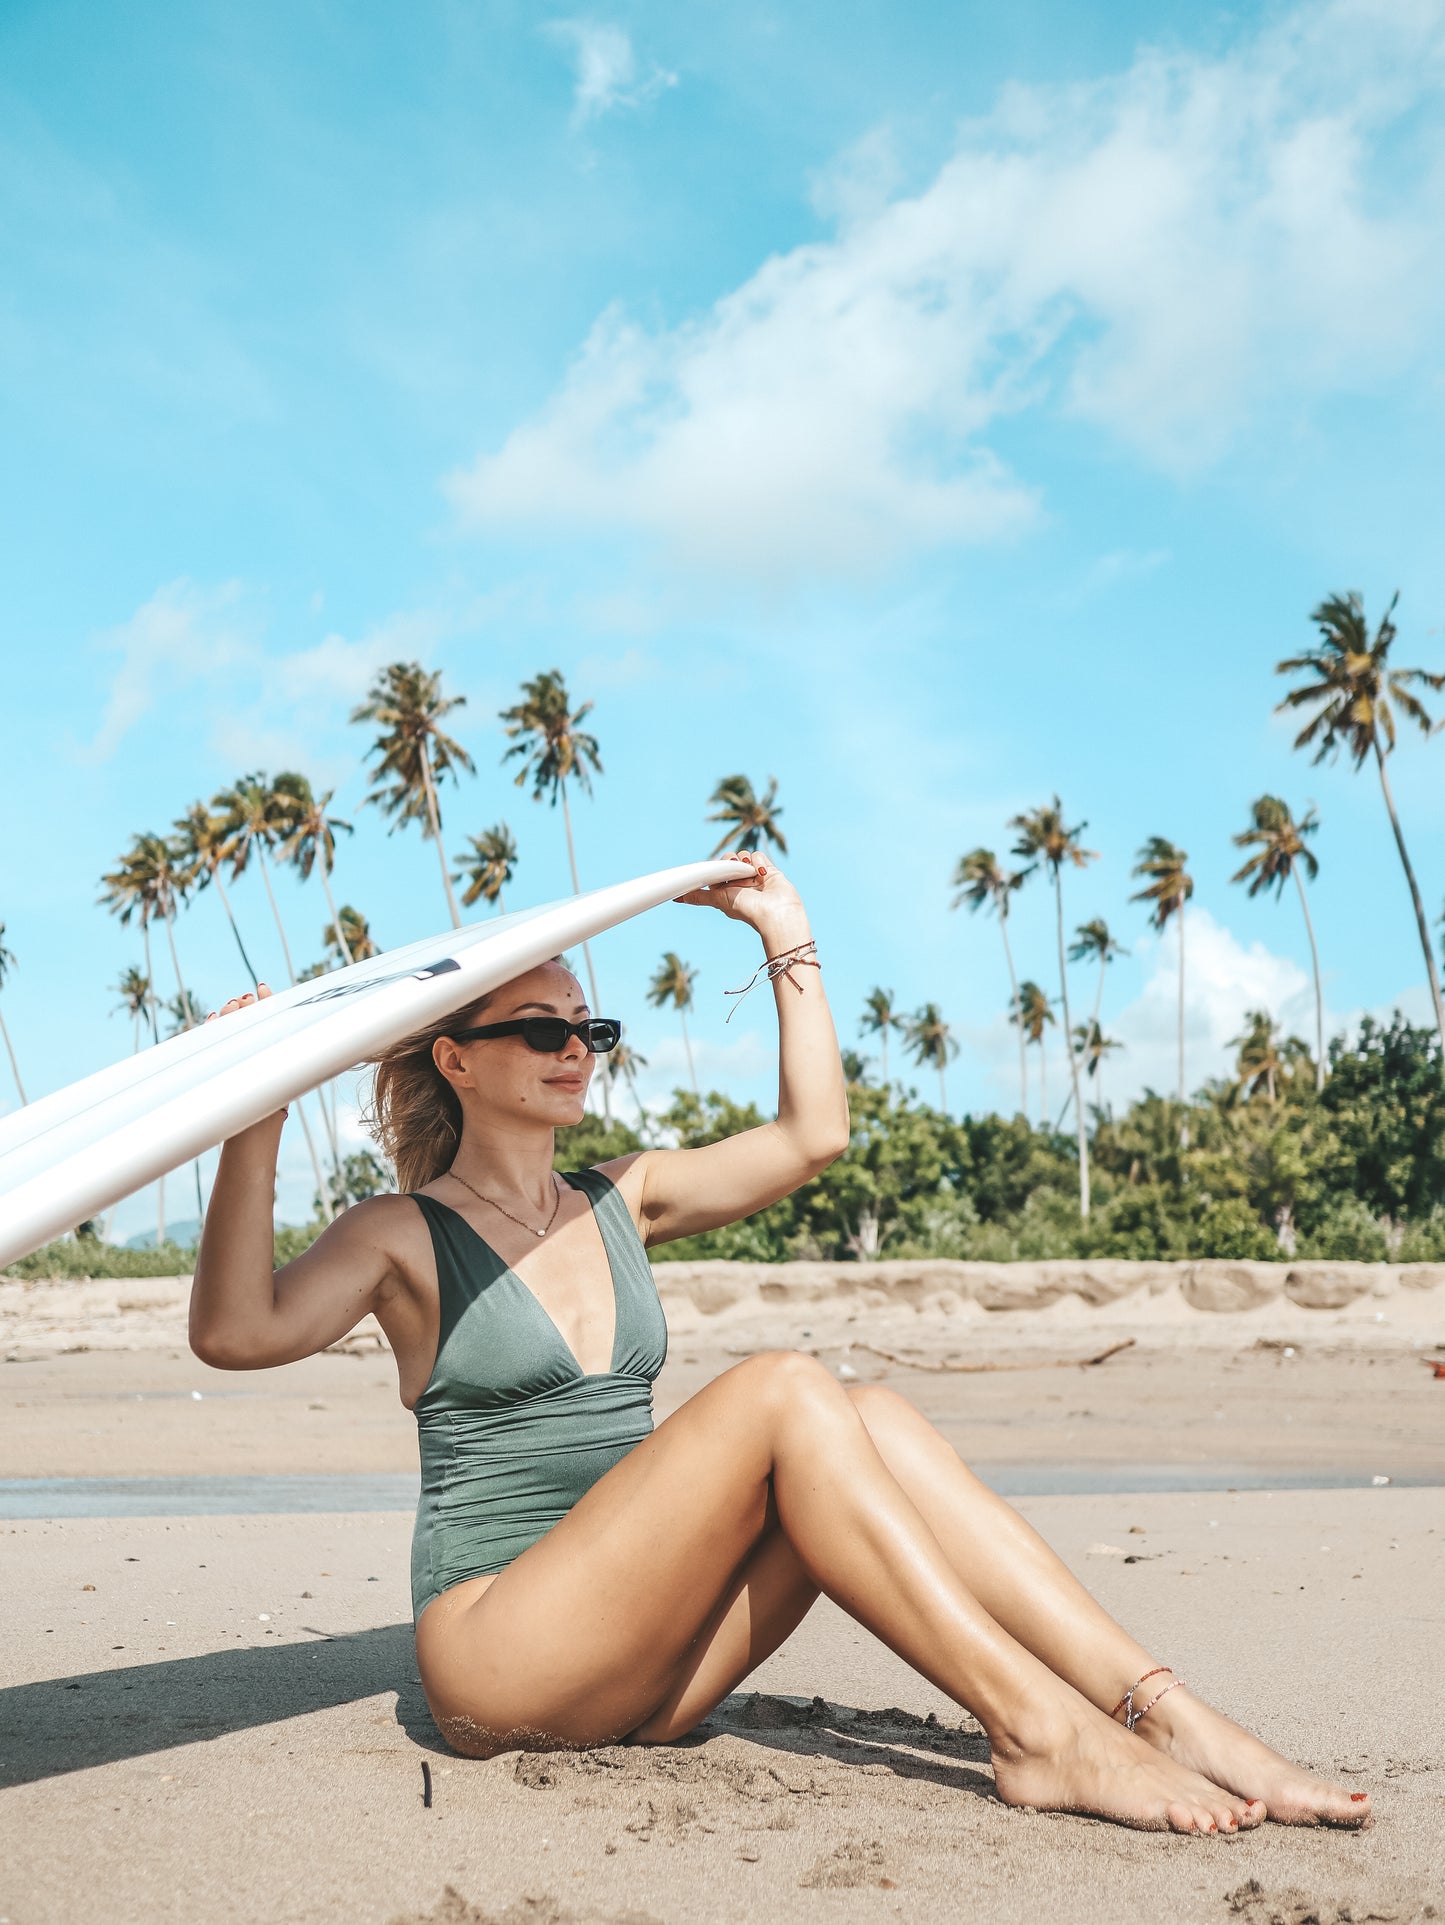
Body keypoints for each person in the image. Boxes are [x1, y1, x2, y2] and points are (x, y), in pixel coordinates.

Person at [192, 854, 1370, 1835]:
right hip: (501, 1658)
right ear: (455, 1057)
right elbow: (238, 1331)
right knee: (781, 1389)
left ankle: (1156, 1706)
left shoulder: (623, 1194)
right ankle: (1035, 1729)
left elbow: (814, 1134)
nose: (576, 1045)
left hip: (652, 1671)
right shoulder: (401, 1233)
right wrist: (257, 1117)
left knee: (874, 1418)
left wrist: (786, 939)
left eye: (588, 1024)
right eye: (542, 1026)